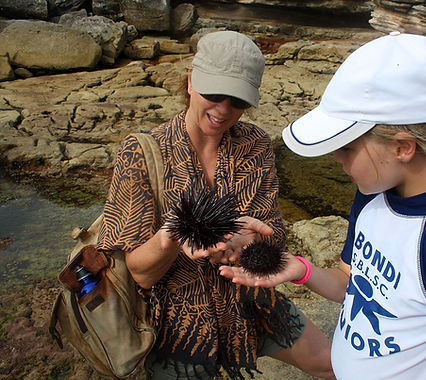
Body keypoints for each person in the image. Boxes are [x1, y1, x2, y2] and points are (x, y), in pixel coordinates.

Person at [220, 32, 426, 379]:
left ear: (402, 148)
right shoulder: (373, 194)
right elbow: (351, 282)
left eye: (346, 146)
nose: (334, 157)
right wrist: (297, 269)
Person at [97, 30, 334, 379]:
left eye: (237, 100)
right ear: (191, 81)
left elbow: (273, 232)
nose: (224, 110)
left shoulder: (254, 143)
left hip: (248, 303)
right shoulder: (141, 153)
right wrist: (170, 238)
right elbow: (138, 273)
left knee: (332, 363)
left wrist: (252, 243)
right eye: (215, 93)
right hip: (177, 324)